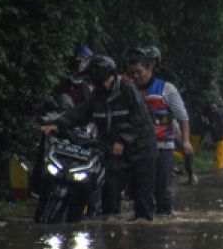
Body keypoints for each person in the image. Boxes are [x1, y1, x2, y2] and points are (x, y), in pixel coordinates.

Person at [40, 55, 157, 220]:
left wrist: (122, 140)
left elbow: (140, 121)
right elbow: (79, 113)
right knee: (110, 190)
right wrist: (59, 124)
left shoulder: (128, 91)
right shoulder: (97, 96)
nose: (104, 83)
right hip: (113, 150)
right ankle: (110, 227)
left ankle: (143, 229)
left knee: (142, 198)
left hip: (141, 150)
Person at [125, 46, 191, 216]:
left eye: (139, 72)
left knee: (163, 190)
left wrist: (185, 141)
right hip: (138, 148)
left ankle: (164, 220)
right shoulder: (128, 89)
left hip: (162, 146)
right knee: (138, 191)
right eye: (132, 73)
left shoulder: (166, 89)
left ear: (150, 69)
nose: (136, 76)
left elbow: (182, 116)